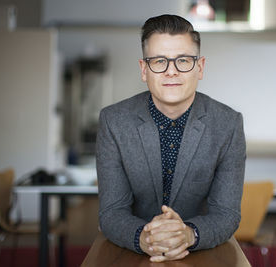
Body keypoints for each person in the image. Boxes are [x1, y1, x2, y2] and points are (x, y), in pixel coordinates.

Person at [96, 14, 246, 262]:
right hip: (131, 253)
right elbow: (112, 211)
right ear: (144, 70)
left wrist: (188, 234)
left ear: (200, 67)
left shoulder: (228, 124)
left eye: (183, 60)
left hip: (201, 253)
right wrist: (144, 238)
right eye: (159, 61)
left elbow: (226, 213)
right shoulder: (114, 122)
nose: (171, 71)